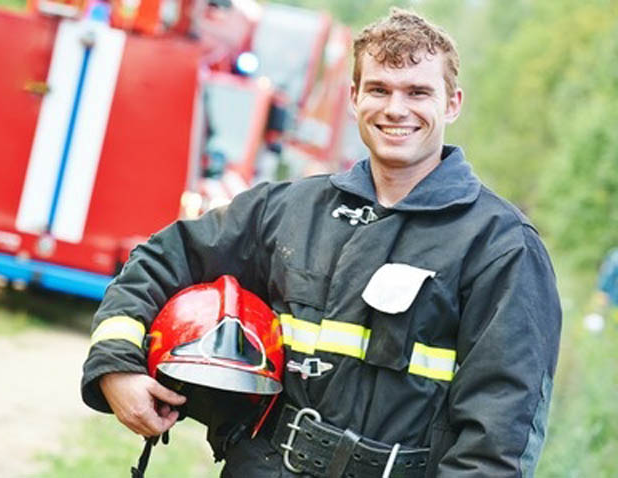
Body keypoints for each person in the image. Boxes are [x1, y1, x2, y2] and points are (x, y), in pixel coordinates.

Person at [81, 8, 561, 477]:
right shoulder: (287, 210)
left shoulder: (500, 246)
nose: (396, 109)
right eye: (379, 89)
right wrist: (115, 368)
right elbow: (161, 259)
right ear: (354, 98)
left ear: (452, 103)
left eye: (418, 92)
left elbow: (499, 431)